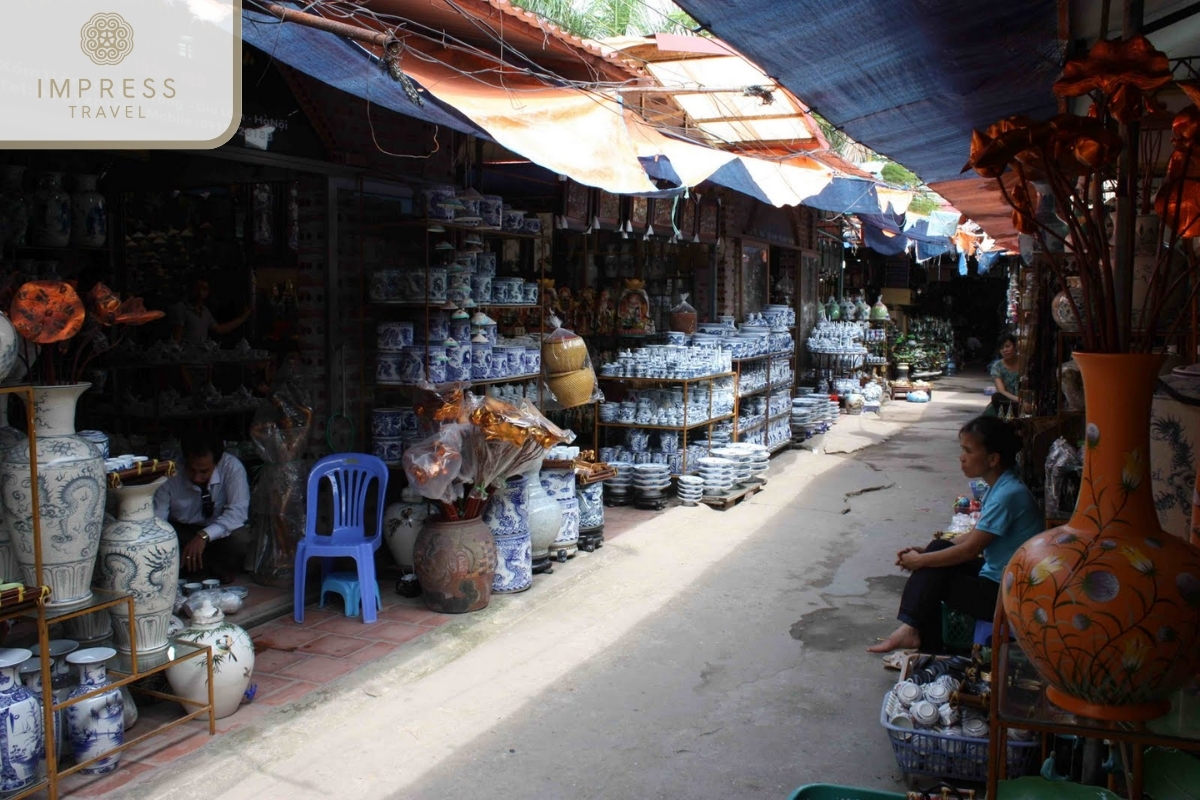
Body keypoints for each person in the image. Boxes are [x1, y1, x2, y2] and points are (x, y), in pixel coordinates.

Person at [867, 415, 1041, 654]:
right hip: (997, 578)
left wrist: (921, 561)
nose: (962, 457)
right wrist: (926, 551)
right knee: (938, 549)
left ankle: (918, 635)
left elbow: (971, 549)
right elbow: (971, 538)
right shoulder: (1000, 487)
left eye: (968, 451)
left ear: (992, 458)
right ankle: (914, 632)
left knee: (934, 578)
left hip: (1006, 594)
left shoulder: (1007, 495)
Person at [155, 432, 252, 584]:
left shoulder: (232, 467)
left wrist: (204, 535)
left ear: (217, 463)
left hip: (218, 532)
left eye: (204, 472)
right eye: (192, 470)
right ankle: (200, 570)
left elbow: (237, 512)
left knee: (240, 540)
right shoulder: (169, 473)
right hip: (184, 531)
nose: (196, 478)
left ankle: (211, 570)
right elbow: (158, 521)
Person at [170, 278, 251, 346]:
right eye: (197, 289)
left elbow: (219, 329)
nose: (200, 293)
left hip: (201, 360)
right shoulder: (181, 308)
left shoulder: (205, 311)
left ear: (208, 292)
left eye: (204, 289)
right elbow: (175, 341)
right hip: (186, 360)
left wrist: (243, 318)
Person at [985, 334, 1021, 416]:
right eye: (1001, 348)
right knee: (997, 397)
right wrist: (1019, 400)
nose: (1005, 350)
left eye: (1007, 346)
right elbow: (1001, 391)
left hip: (1026, 402)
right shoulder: (997, 366)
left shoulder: (1025, 362)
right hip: (1008, 401)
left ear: (1015, 346)